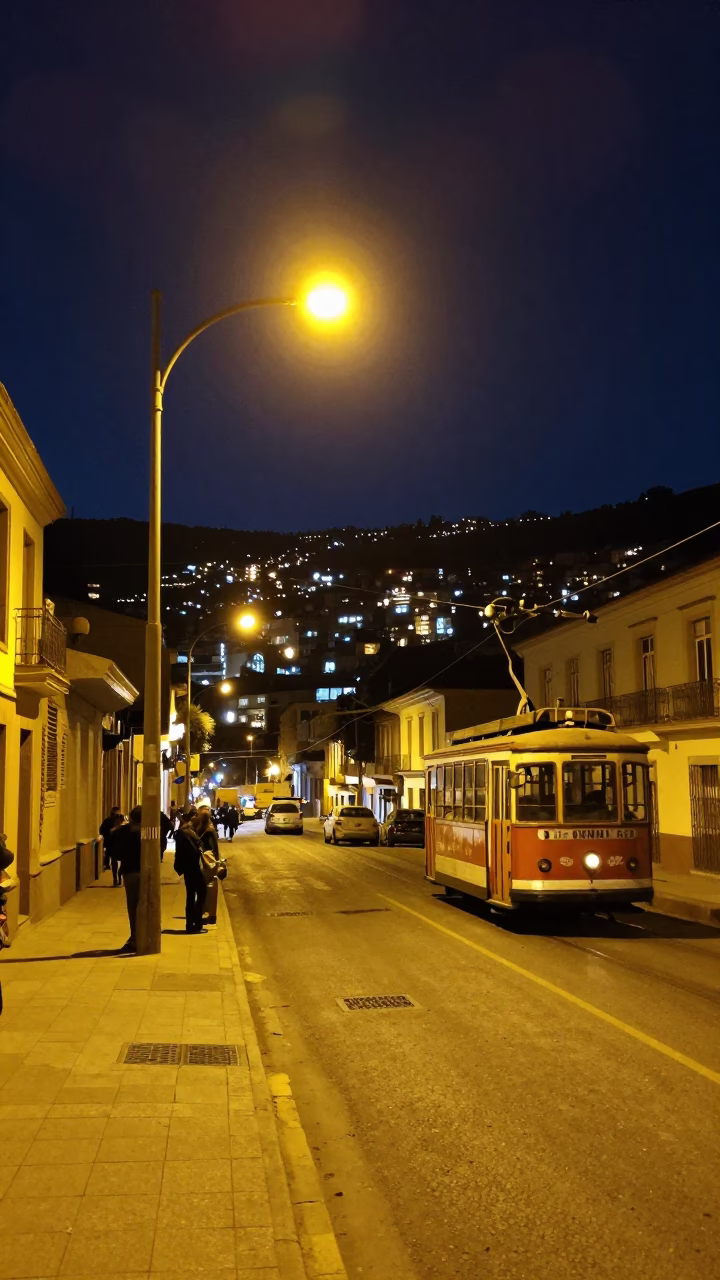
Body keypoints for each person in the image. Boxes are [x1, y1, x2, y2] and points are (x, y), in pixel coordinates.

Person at [112, 806, 142, 951]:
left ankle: (135, 937)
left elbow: (116, 852)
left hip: (130, 871)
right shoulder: (148, 831)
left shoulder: (124, 831)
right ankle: (141, 935)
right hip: (145, 871)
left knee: (133, 905)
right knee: (145, 904)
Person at [174, 809, 206, 933]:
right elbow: (192, 851)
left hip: (189, 869)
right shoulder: (188, 834)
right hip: (193, 868)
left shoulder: (184, 833)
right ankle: (195, 924)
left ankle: (191, 924)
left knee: (191, 896)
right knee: (201, 893)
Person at [196, 809, 220, 925]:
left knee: (203, 888)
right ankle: (210, 914)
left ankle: (204, 911)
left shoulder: (199, 829)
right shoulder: (210, 831)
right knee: (211, 888)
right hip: (209, 862)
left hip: (201, 861)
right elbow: (213, 848)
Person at [104, 811, 127, 887]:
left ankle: (116, 880)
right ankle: (118, 880)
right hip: (120, 849)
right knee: (119, 865)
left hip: (115, 849)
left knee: (116, 865)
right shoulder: (124, 829)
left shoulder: (114, 830)